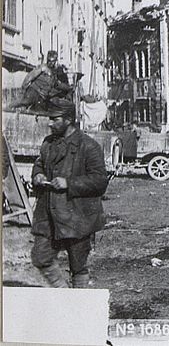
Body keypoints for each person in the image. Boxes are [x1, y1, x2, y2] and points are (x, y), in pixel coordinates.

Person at [30, 101, 108, 288]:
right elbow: (39, 163)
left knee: (78, 266)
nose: (49, 123)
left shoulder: (89, 146)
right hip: (48, 214)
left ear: (69, 120)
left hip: (77, 217)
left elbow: (99, 181)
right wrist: (38, 174)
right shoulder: (48, 143)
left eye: (54, 119)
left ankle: (77, 305)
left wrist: (69, 183)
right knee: (40, 257)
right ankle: (64, 294)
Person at [7, 50, 73, 110]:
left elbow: (57, 84)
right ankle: (9, 107)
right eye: (49, 61)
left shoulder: (54, 73)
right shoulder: (42, 67)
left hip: (42, 96)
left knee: (41, 112)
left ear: (55, 61)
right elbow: (29, 77)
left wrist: (68, 87)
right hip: (34, 91)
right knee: (26, 101)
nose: (50, 63)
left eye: (52, 61)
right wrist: (23, 90)